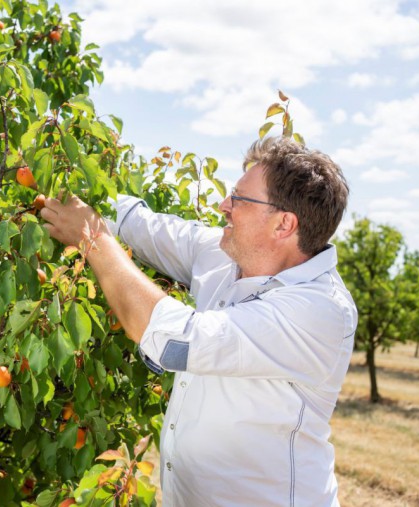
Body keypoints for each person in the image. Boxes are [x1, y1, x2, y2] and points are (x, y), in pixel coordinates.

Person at [39, 136, 358, 507]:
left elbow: (174, 339)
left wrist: (92, 239)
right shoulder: (226, 254)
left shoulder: (318, 310)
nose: (224, 206)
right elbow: (140, 224)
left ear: (283, 224)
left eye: (239, 199)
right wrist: (68, 178)